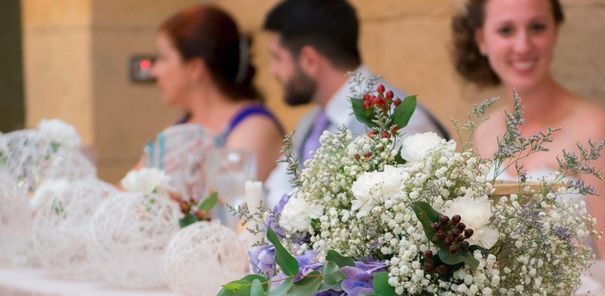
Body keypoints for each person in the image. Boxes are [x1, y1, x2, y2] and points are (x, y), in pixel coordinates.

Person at [452, 0, 605, 259]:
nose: (523, 46)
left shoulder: (594, 130)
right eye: (506, 30)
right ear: (481, 40)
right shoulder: (484, 131)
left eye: (537, 27)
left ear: (555, 32)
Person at [262, 0, 450, 206]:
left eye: (277, 58)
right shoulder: (310, 124)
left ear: (309, 60)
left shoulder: (397, 120)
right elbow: (278, 194)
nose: (273, 71)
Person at [150, 4, 284, 183]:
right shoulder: (177, 129)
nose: (154, 71)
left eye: (163, 58)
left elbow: (228, 205)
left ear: (194, 68)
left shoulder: (253, 127)